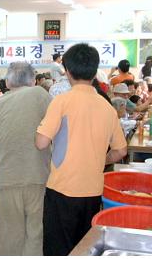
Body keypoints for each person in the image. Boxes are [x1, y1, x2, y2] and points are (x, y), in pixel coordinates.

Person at [35, 43, 127, 256]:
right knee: (84, 249)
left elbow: (41, 142)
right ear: (95, 71)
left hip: (62, 189)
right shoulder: (107, 107)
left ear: (67, 71)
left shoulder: (62, 101)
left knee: (58, 250)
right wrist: (98, 160)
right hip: (93, 192)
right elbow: (121, 151)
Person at [0, 62, 52, 255]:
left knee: (9, 238)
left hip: (7, 180)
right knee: (35, 235)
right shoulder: (41, 95)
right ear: (33, 80)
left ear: (7, 83)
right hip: (38, 177)